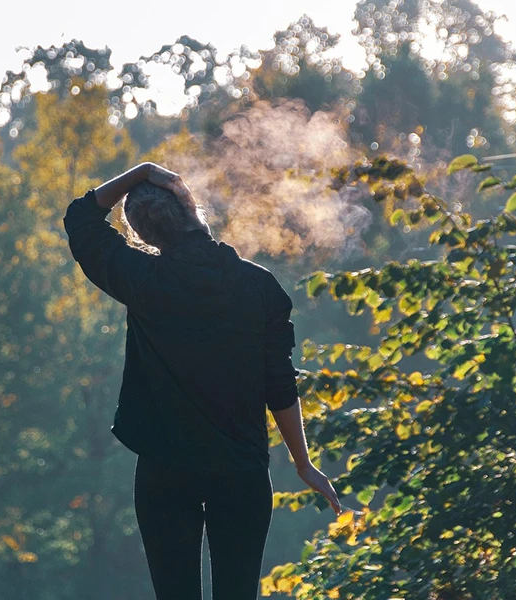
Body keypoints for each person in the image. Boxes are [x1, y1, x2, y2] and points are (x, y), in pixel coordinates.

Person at [63, 162, 341, 600]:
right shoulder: (259, 288)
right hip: (241, 473)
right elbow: (280, 385)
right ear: (192, 206)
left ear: (144, 235)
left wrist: (141, 173)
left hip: (164, 472)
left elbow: (79, 217)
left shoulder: (141, 280)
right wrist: (303, 464)